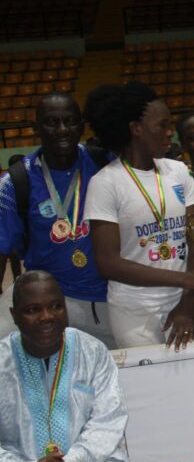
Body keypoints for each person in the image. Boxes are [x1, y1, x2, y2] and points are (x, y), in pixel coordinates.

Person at [83, 83, 194, 349]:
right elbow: (108, 263)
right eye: (163, 125)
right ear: (136, 128)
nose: (170, 134)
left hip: (184, 302)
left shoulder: (177, 172)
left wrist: (187, 301)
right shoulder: (105, 183)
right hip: (134, 310)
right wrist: (186, 280)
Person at [0, 271, 130, 462]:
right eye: (33, 310)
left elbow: (107, 422)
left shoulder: (91, 350)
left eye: (55, 306)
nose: (47, 316)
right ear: (15, 315)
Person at [0, 93, 113, 348]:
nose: (62, 130)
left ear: (81, 126)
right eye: (52, 122)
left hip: (105, 299)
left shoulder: (104, 164)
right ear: (37, 127)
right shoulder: (15, 182)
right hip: (44, 302)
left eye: (71, 121)